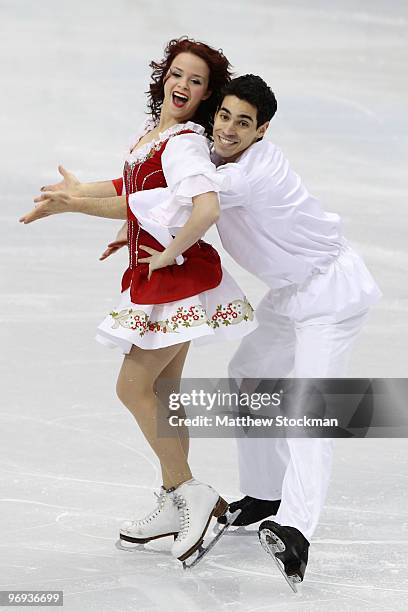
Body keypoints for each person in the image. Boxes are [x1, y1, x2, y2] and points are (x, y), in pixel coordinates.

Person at [103, 74, 381, 583]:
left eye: (244, 123)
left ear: (262, 131)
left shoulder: (250, 174)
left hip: (331, 294)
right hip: (290, 293)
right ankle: (263, 494)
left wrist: (78, 200)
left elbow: (178, 197)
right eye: (224, 116)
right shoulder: (213, 157)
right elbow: (166, 185)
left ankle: (296, 528)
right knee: (248, 371)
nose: (229, 129)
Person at [18, 39, 258, 566]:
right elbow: (135, 185)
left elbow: (193, 204)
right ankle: (177, 499)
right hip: (162, 272)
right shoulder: (161, 135)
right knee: (165, 391)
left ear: (206, 94)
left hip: (173, 277)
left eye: (196, 82)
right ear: (163, 76)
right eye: (177, 74)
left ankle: (190, 492)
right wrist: (89, 193)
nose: (183, 86)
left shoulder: (188, 144)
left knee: (133, 386)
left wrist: (77, 206)